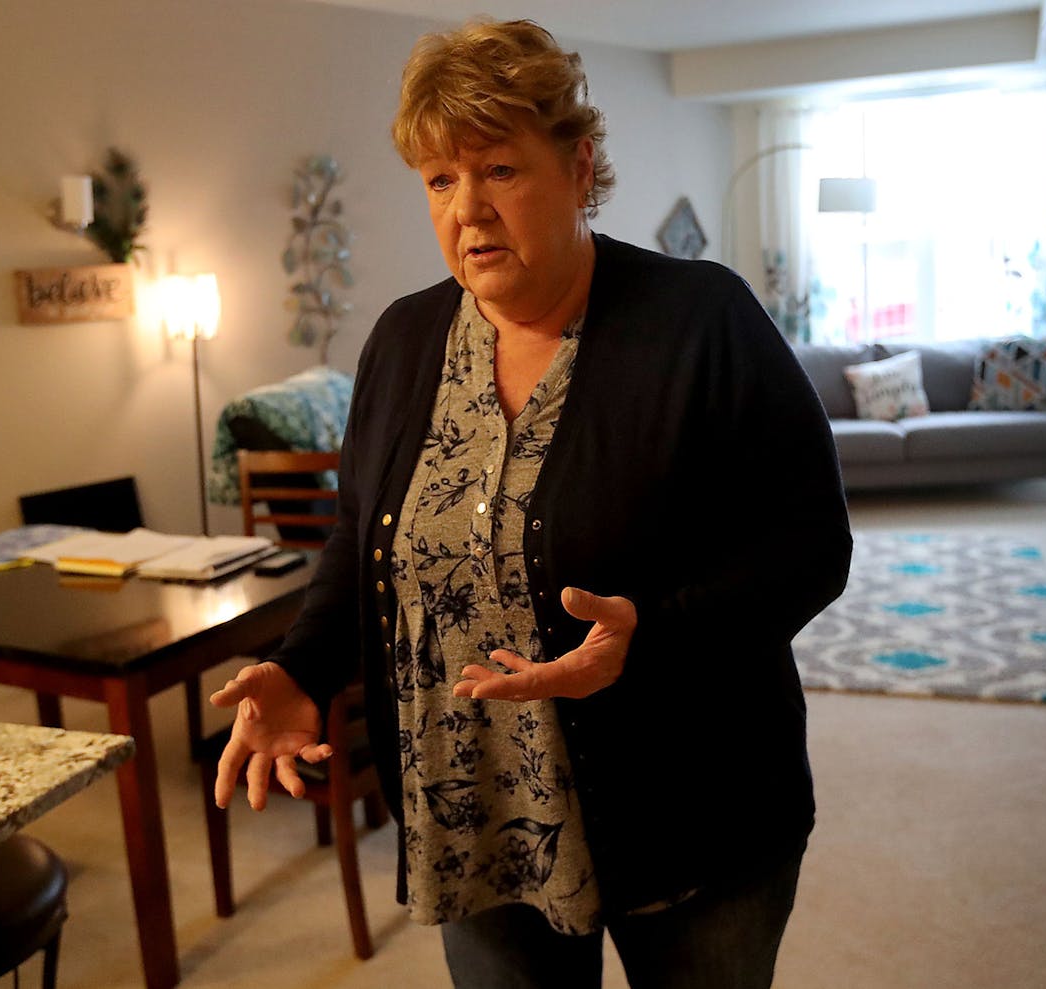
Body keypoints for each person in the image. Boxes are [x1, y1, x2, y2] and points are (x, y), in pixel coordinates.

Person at [211, 18, 851, 989]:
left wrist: (653, 634)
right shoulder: (401, 338)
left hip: (691, 815)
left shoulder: (700, 320)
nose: (467, 210)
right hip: (473, 822)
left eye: (499, 170)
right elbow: (364, 544)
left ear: (578, 164)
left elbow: (809, 544)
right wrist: (302, 666)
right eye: (438, 180)